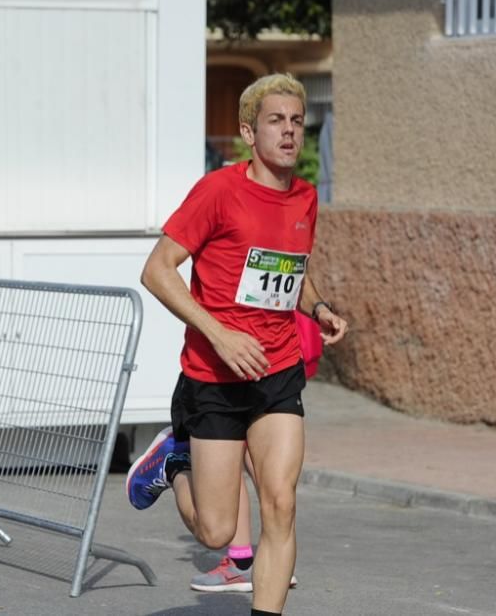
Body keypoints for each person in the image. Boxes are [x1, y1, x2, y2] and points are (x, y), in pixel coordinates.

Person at [128, 73, 347, 616]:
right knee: (216, 530)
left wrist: (317, 310)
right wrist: (219, 334)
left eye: (298, 121)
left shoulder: (304, 197)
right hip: (213, 379)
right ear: (249, 131)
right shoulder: (218, 191)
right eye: (277, 121)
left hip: (277, 374)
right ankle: (171, 464)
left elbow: (291, 270)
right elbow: (157, 271)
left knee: (280, 505)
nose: (290, 132)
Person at [189, 311, 321, 593]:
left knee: (278, 495)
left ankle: (248, 561)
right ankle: (246, 560)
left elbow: (300, 276)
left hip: (277, 358)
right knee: (245, 464)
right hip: (237, 362)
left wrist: (320, 308)